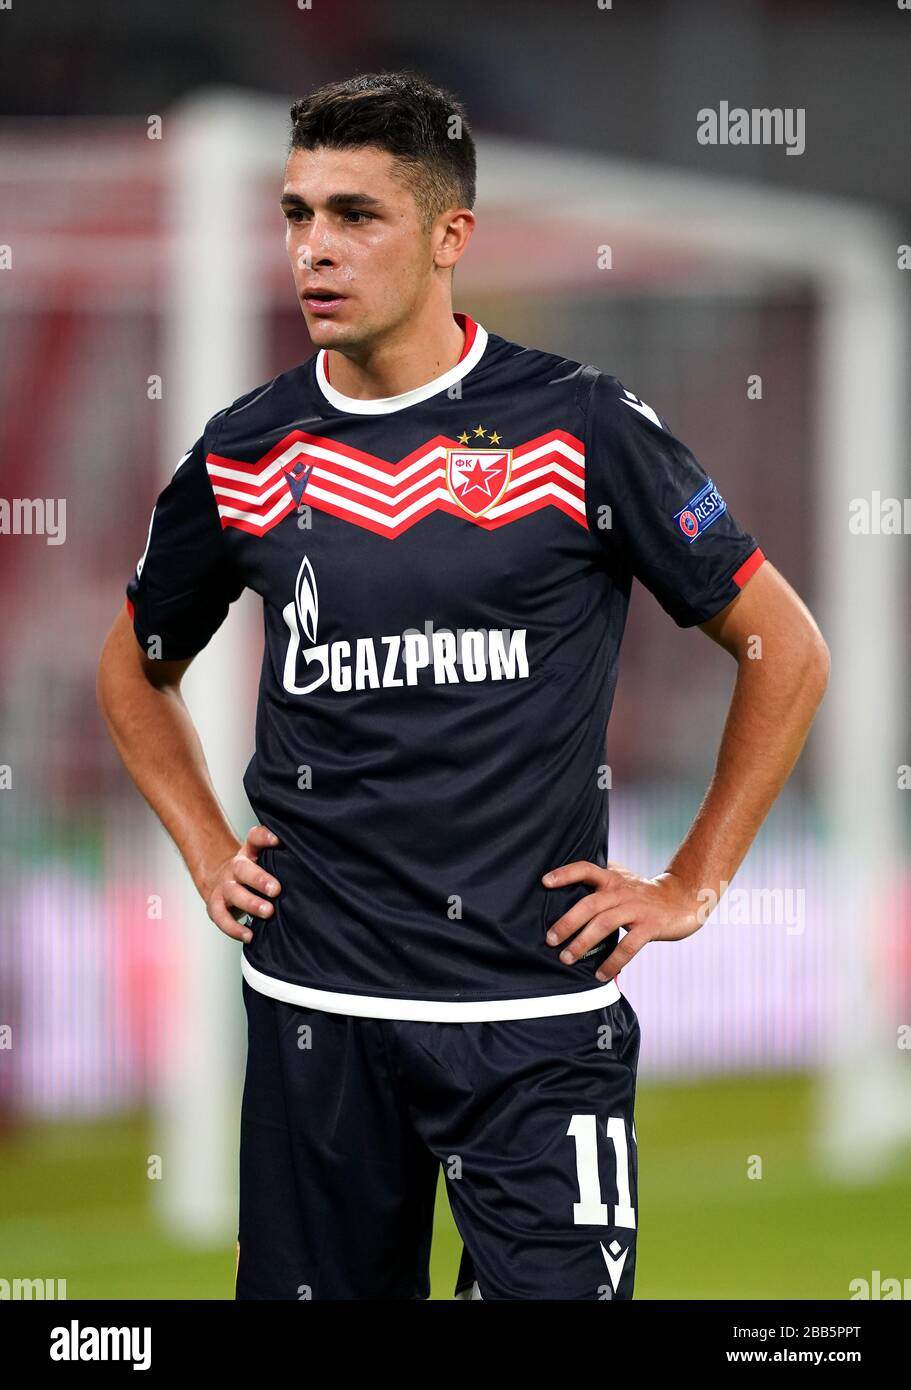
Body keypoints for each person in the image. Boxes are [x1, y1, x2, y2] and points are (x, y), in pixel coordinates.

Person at [96, 69, 829, 1301]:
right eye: (296, 215)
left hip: (533, 1015)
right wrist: (205, 842)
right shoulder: (245, 450)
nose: (313, 251)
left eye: (356, 216)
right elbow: (136, 666)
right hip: (313, 1006)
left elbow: (782, 645)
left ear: (450, 237)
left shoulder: (579, 426)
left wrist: (692, 881)